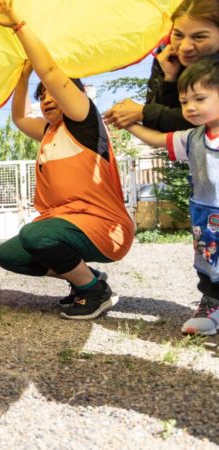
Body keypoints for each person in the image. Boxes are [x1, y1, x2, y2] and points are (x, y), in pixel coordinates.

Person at [0, 0, 135, 320]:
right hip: (70, 224)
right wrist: (24, 78)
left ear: (74, 94)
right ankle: (85, 277)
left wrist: (18, 27)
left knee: (36, 236)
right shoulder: (50, 133)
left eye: (53, 92)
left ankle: (94, 291)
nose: (47, 99)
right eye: (42, 97)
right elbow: (17, 118)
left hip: (105, 226)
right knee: (9, 255)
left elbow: (52, 72)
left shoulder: (83, 121)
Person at [123, 55, 219, 336]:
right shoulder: (192, 137)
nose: (190, 107)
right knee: (207, 264)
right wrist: (129, 124)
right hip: (205, 216)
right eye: (184, 102)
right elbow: (155, 140)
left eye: (199, 99)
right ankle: (211, 305)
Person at [104, 0, 219, 132]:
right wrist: (169, 79)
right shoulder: (168, 58)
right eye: (178, 35)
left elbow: (206, 122)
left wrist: (144, 113)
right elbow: (159, 126)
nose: (185, 47)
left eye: (199, 37)